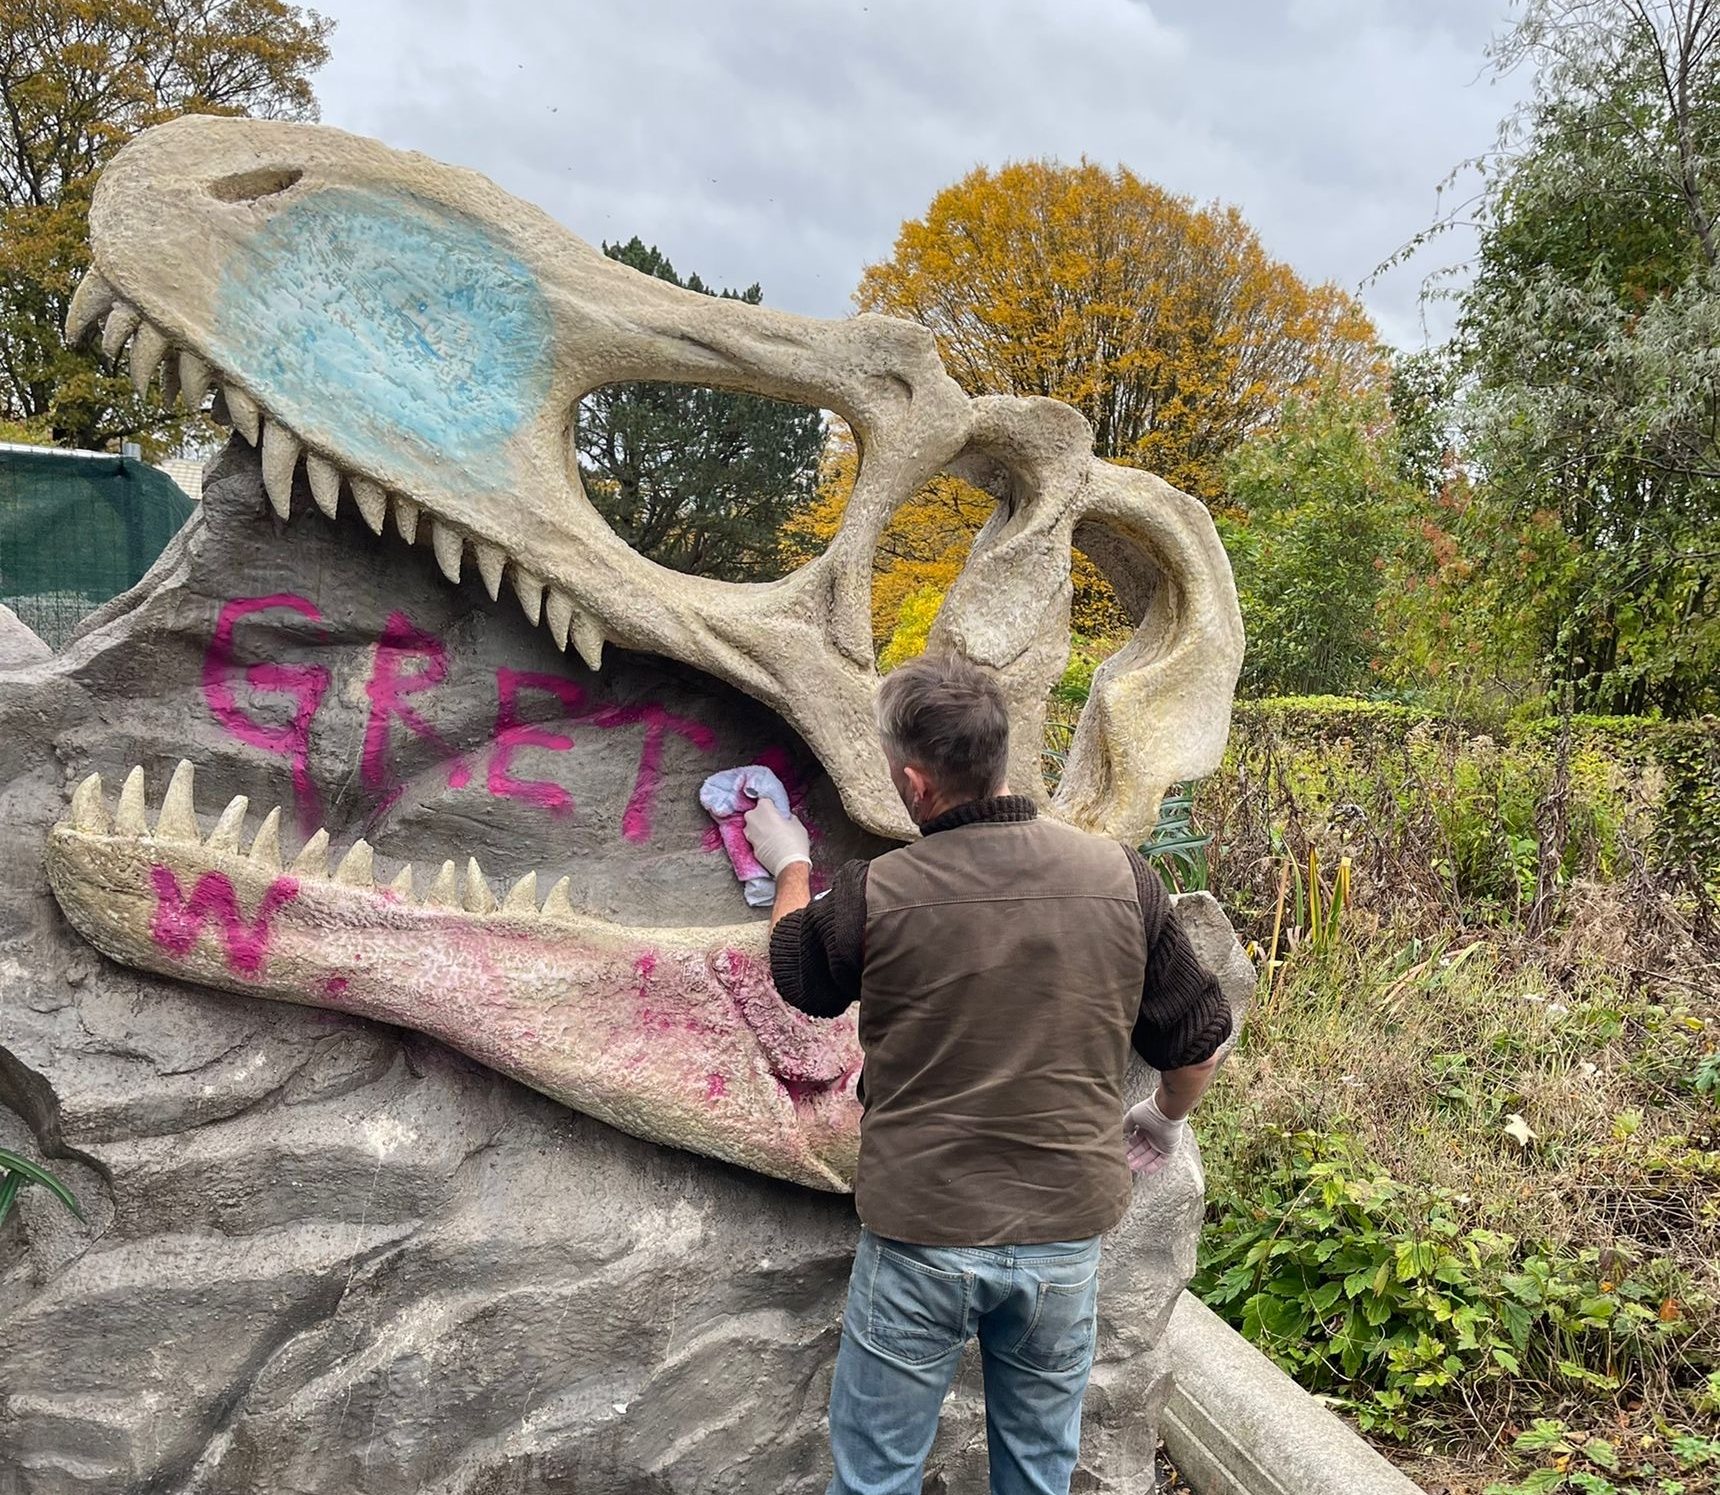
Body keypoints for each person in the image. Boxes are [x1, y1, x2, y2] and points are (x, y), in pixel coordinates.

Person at [740, 652, 1232, 1495]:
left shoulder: (876, 892)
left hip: (922, 1235)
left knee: (875, 1479)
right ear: (999, 757)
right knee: (1039, 1477)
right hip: (1065, 1236)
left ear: (914, 783)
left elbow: (795, 971)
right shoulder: (1122, 878)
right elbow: (1199, 1040)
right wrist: (1163, 1115)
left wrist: (787, 861)